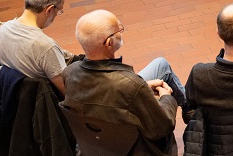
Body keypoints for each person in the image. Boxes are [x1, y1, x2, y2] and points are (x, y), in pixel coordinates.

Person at [62, 10, 184, 156]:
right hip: (138, 149)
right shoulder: (130, 85)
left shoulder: (69, 73)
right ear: (109, 43)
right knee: (161, 65)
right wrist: (167, 98)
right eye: (119, 30)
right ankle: (191, 111)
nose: (121, 31)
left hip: (99, 145)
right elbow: (162, 127)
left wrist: (141, 88)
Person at [0, 0, 76, 95]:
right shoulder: (46, 46)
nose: (57, 15)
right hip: (43, 104)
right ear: (49, 9)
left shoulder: (2, 31)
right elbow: (68, 94)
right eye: (59, 11)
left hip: (15, 97)